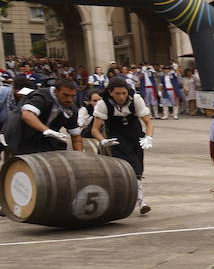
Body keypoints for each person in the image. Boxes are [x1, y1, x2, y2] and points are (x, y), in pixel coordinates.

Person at [89, 77, 154, 215]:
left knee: (138, 166)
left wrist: (148, 137)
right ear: (110, 92)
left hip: (135, 135)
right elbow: (94, 129)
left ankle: (132, 199)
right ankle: (141, 202)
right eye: (117, 93)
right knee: (131, 167)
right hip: (116, 138)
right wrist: (103, 140)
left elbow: (148, 122)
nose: (121, 96)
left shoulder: (135, 99)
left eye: (124, 93)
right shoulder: (103, 104)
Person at [5, 78, 81, 155]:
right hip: (21, 134)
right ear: (55, 92)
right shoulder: (42, 96)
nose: (69, 99)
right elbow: (27, 115)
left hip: (45, 141)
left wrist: (80, 156)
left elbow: (75, 136)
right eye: (65, 95)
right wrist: (46, 130)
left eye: (73, 96)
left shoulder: (71, 108)